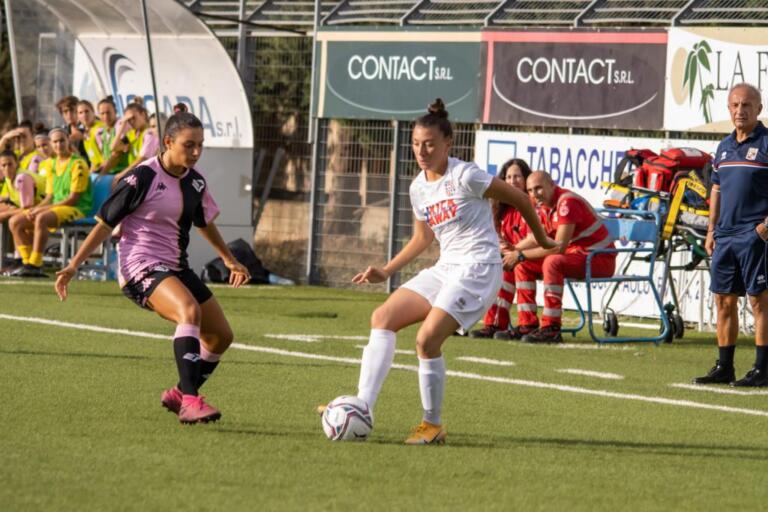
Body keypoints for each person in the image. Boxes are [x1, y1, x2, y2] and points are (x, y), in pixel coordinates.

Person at [320, 99, 556, 445]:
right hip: (447, 266)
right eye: (416, 144)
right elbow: (422, 237)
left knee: (426, 340)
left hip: (478, 268)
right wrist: (386, 270)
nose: (421, 150)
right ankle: (362, 408)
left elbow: (520, 199)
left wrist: (542, 240)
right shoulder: (418, 187)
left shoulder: (465, 175)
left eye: (430, 144)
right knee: (382, 316)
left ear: (449, 143)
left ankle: (432, 425)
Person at [54, 110, 251, 424]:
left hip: (176, 266)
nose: (196, 152)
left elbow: (204, 222)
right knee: (189, 311)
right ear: (168, 142)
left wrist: (229, 259)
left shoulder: (196, 182)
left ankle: (178, 393)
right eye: (189, 145)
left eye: (200, 145)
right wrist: (74, 265)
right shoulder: (141, 176)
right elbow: (105, 224)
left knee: (220, 336)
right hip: (139, 266)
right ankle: (190, 401)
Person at [694, 82, 768, 388]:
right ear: (728, 109)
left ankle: (763, 368)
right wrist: (711, 230)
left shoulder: (765, 144)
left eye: (747, 105)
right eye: (736, 105)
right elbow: (717, 189)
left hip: (755, 236)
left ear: (759, 109)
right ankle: (724, 366)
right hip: (724, 236)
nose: (741, 111)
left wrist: (764, 227)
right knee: (723, 301)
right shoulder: (723, 147)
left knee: (759, 302)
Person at [511, 171, 616, 343]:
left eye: (538, 188)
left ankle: (551, 328)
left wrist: (520, 255)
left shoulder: (567, 202)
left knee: (552, 261)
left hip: (599, 259)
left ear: (552, 185)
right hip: (578, 256)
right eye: (530, 190)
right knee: (523, 265)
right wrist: (512, 252)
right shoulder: (542, 205)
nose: (534, 194)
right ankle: (527, 324)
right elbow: (534, 239)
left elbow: (558, 248)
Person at [7, 128, 92, 277]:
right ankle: (26, 262)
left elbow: (73, 199)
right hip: (57, 207)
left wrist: (41, 211)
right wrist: (36, 208)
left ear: (68, 141)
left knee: (42, 218)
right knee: (15, 221)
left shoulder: (78, 164)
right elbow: (49, 196)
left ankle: (36, 263)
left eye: (61, 141)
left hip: (77, 209)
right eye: (55, 142)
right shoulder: (51, 164)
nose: (58, 145)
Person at [470, 158, 534, 340]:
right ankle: (491, 324)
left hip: (531, 256)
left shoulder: (531, 203)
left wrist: (515, 251)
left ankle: (527, 324)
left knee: (510, 266)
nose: (513, 181)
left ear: (526, 178)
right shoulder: (500, 207)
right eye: (509, 177)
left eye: (518, 177)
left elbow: (536, 238)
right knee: (491, 264)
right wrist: (501, 247)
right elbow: (494, 235)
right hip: (511, 256)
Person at [0, 150, 44, 222]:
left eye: (10, 164)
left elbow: (27, 210)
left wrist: (6, 213)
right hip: (31, 208)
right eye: (3, 165)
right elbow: (15, 193)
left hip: (44, 208)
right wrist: (5, 198)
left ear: (17, 163)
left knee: (12, 221)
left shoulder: (22, 178)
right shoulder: (8, 177)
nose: (7, 168)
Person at [95, 96, 130, 176]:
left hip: (123, 172)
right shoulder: (99, 132)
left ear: (115, 111)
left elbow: (117, 155)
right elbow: (104, 156)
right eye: (102, 113)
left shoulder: (122, 126)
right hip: (109, 172)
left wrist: (101, 174)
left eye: (108, 112)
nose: (105, 116)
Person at [77, 100, 105, 172]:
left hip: (108, 171)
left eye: (87, 111)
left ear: (93, 112)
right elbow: (93, 158)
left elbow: (108, 155)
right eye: (81, 113)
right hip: (97, 171)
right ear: (78, 116)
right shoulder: (86, 133)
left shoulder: (100, 128)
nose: (84, 115)